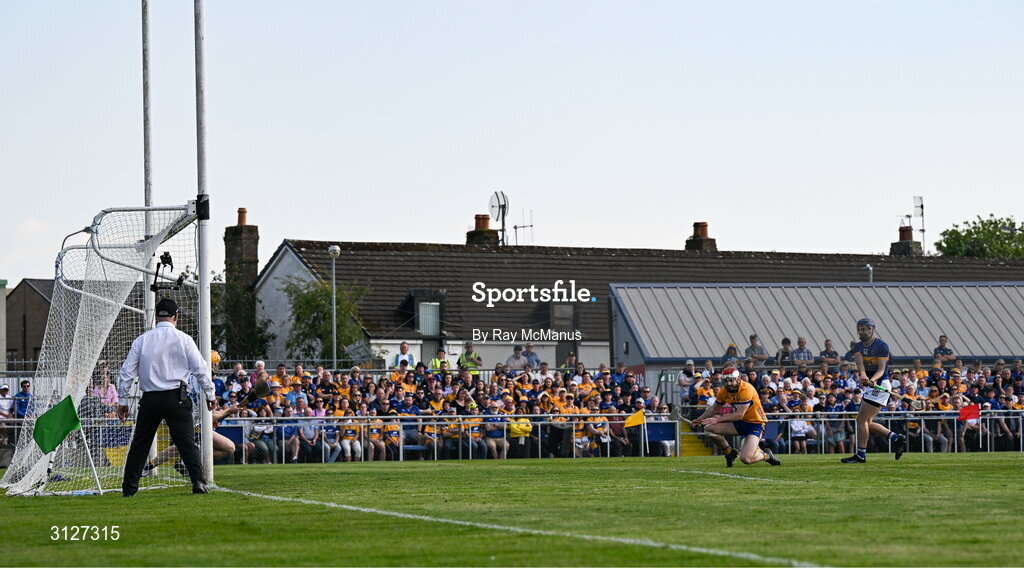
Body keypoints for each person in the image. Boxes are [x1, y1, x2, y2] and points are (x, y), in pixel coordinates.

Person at [118, 298, 215, 496]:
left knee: (140, 444)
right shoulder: (184, 339)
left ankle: (129, 488)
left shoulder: (142, 340)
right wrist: (210, 393)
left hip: (150, 399)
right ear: (176, 317)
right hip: (176, 398)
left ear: (156, 317)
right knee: (186, 443)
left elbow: (126, 373)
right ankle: (198, 481)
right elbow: (201, 369)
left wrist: (123, 401)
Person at [840, 318, 907, 463]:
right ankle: (896, 438)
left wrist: (873, 379)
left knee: (860, 419)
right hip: (872, 385)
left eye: (865, 328)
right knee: (867, 422)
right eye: (860, 329)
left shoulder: (882, 346)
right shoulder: (857, 347)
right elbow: (860, 365)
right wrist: (864, 376)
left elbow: (881, 369)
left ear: (872, 329)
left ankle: (861, 455)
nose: (862, 331)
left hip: (881, 384)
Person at [689, 367, 780, 467]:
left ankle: (766, 455)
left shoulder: (746, 389)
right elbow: (714, 408)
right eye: (726, 381)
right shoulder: (724, 391)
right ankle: (729, 452)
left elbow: (739, 414)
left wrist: (717, 419)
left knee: (746, 459)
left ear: (738, 379)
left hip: (755, 424)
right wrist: (699, 419)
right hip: (740, 423)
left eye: (731, 380)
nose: (729, 384)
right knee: (708, 429)